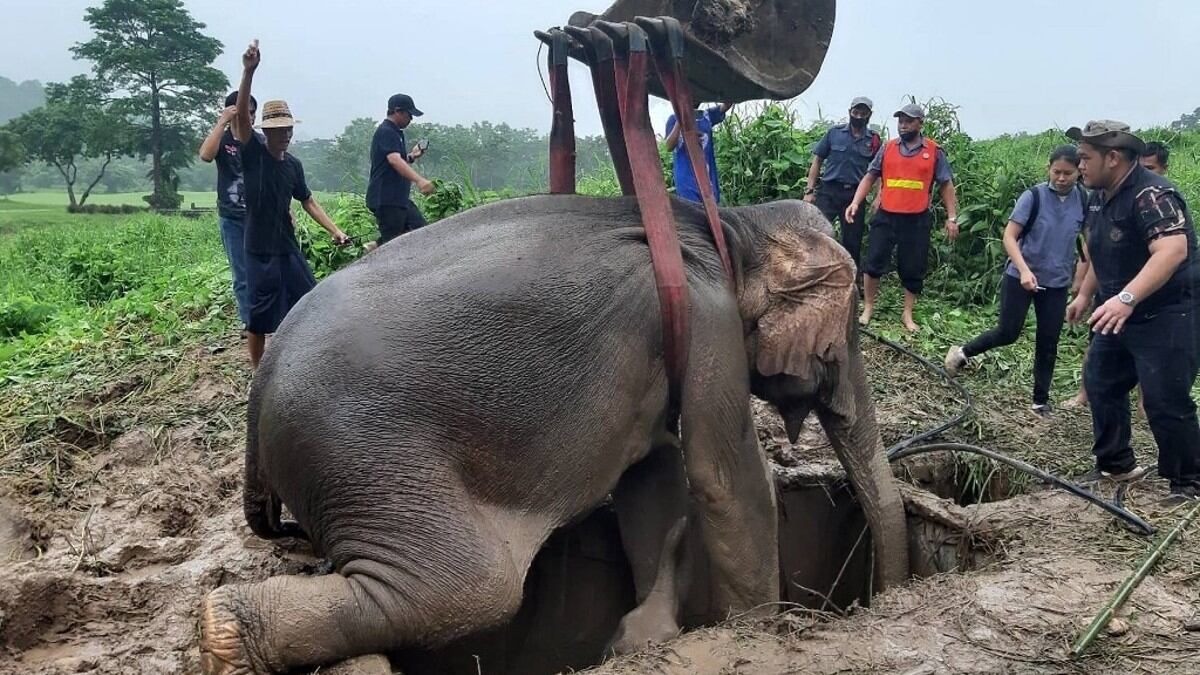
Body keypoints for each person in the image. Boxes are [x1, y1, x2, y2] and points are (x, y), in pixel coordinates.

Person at [1065, 120, 1200, 504]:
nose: (1079, 165)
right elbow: (1101, 249)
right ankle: (1116, 463)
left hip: (1167, 311)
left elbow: (1172, 251)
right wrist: (1085, 294)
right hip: (1119, 308)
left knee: (1164, 398)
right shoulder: (1098, 196)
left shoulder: (1151, 195)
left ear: (1113, 157)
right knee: (1100, 380)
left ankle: (1188, 482)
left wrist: (1126, 298)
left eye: (1085, 157)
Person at [944, 146, 1087, 416]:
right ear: (1048, 168)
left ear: (1079, 172)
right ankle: (962, 352)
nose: (1061, 178)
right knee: (1008, 332)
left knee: (1049, 341)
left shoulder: (1083, 199)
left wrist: (1080, 280)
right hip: (1019, 276)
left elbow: (1087, 242)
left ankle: (1040, 401)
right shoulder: (1033, 196)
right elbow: (1009, 237)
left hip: (1057, 282)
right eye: (1056, 171)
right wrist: (1023, 270)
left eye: (1068, 173)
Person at [232, 40, 349, 368]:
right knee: (258, 315)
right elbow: (241, 119)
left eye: (287, 129)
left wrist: (335, 231)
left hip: (286, 246)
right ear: (266, 133)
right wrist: (248, 72)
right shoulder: (254, 155)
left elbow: (307, 200)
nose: (285, 134)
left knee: (309, 299)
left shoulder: (293, 165)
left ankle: (303, 359)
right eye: (278, 130)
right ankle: (259, 372)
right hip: (258, 249)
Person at [846, 103, 959, 332]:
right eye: (901, 121)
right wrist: (855, 202)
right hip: (886, 215)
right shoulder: (887, 148)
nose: (903, 125)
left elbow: (946, 185)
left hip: (916, 219)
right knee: (873, 261)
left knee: (913, 267)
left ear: (920, 123)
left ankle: (907, 313)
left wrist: (952, 217)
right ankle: (868, 307)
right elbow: (870, 176)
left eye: (908, 121)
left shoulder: (934, 151)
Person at [198, 91, 258, 327]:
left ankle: (266, 317)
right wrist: (222, 121)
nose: (250, 117)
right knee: (242, 274)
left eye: (252, 113)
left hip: (258, 217)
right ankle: (250, 324)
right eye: (245, 112)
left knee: (263, 269)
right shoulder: (222, 140)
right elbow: (205, 155)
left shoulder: (259, 141)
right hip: (232, 217)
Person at [805, 96, 882, 273]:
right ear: (849, 112)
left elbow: (878, 171)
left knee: (852, 241)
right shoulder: (834, 133)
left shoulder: (873, 140)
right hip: (829, 192)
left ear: (869, 115)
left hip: (855, 197)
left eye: (863, 113)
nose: (859, 116)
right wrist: (809, 191)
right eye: (856, 112)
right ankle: (811, 273)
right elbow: (817, 161)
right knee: (816, 233)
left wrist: (879, 196)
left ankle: (851, 279)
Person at [366, 93, 435, 247]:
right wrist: (419, 181)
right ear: (397, 111)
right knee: (393, 245)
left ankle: (374, 246)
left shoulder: (396, 133)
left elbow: (394, 160)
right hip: (386, 198)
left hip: (398, 198)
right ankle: (375, 249)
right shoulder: (386, 131)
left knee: (420, 229)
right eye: (409, 115)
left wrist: (412, 156)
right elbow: (394, 160)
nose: (411, 119)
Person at [664, 102, 733, 204]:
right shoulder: (673, 119)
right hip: (686, 180)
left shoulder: (707, 116)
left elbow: (726, 105)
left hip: (708, 177)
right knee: (693, 210)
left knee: (711, 208)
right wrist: (680, 119)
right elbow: (669, 146)